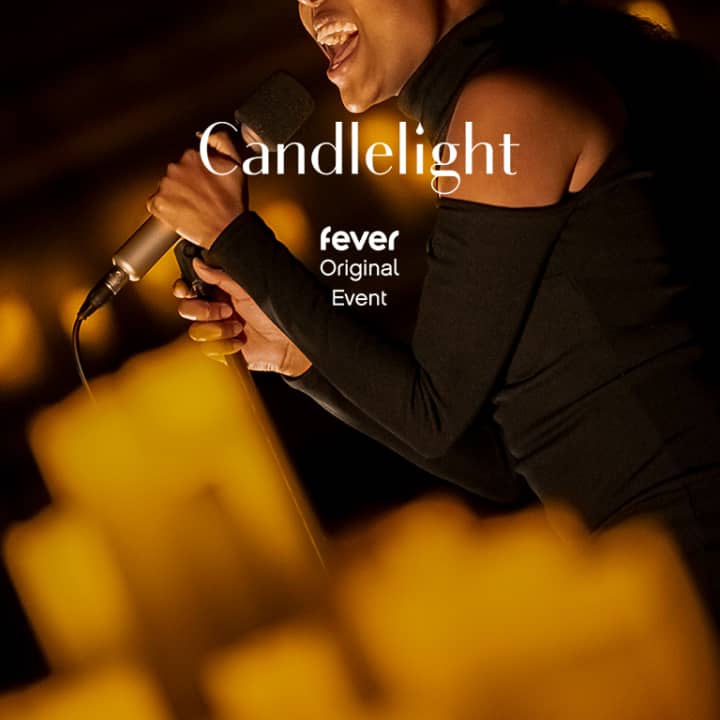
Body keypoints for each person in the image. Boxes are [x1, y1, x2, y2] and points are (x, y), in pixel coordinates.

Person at [147, 0, 720, 627]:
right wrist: (298, 355)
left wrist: (236, 237)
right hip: (650, 573)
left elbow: (432, 414)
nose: (314, 11)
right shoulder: (494, 106)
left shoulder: (506, 108)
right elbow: (497, 462)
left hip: (691, 552)